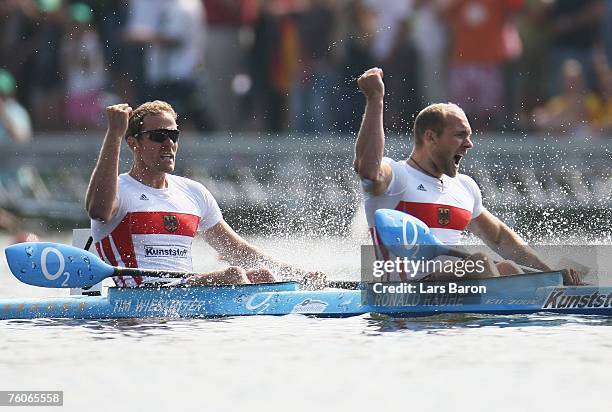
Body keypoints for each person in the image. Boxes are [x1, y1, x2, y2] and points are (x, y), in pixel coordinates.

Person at [353, 67, 579, 285]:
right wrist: (375, 99)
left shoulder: (464, 186)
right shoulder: (396, 177)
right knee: (481, 262)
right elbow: (367, 168)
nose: (469, 144)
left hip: (454, 305)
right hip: (404, 304)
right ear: (430, 137)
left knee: (507, 267)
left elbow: (501, 238)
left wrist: (552, 275)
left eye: (469, 136)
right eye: (460, 135)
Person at [86, 100, 325, 288]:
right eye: (159, 136)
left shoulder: (193, 192)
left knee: (263, 275)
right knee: (234, 275)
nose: (168, 143)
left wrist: (299, 275)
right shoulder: (119, 190)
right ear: (133, 143)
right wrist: (114, 134)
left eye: (173, 136)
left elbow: (238, 251)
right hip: (143, 297)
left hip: (183, 298)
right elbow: (98, 210)